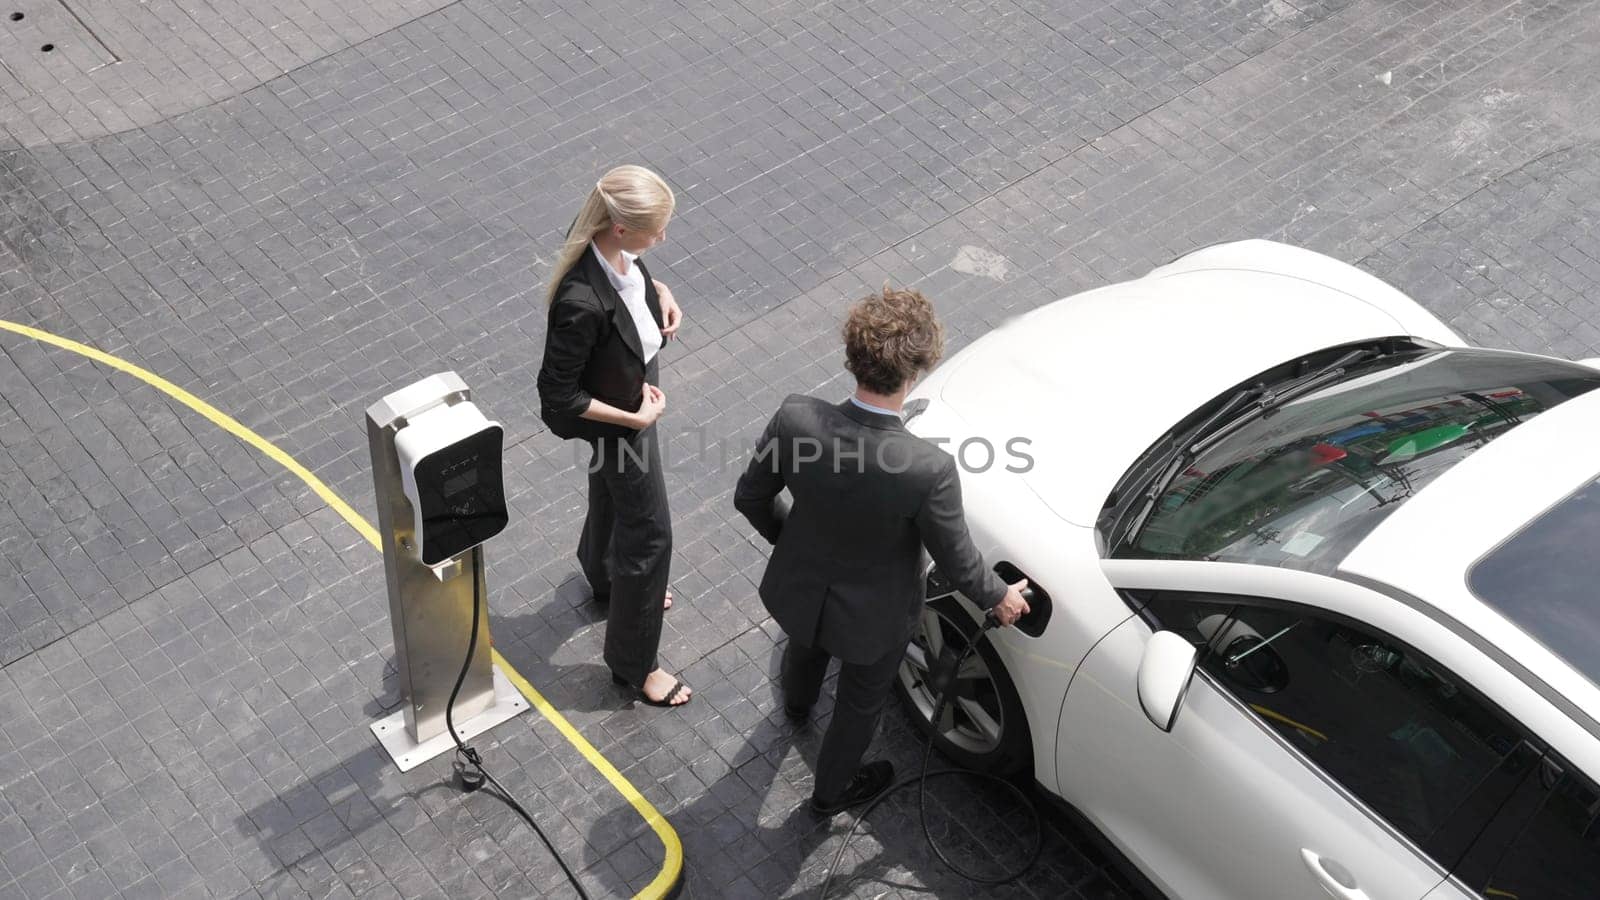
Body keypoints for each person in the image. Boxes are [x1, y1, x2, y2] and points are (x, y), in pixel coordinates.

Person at [733, 285, 1030, 814]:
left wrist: (791, 541)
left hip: (799, 587)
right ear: (915, 371)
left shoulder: (795, 418)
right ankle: (830, 794)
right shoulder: (927, 469)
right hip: (875, 619)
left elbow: (750, 496)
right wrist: (1000, 598)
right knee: (857, 705)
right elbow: (960, 563)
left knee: (804, 645)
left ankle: (797, 707)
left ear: (854, 357)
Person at [536, 165, 691, 707]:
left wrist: (661, 293)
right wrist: (633, 422)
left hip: (630, 397)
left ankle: (604, 579)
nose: (662, 238)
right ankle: (635, 664)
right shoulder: (579, 303)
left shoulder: (612, 251)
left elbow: (634, 277)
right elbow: (557, 398)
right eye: (656, 229)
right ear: (620, 228)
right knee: (651, 537)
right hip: (623, 416)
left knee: (610, 490)